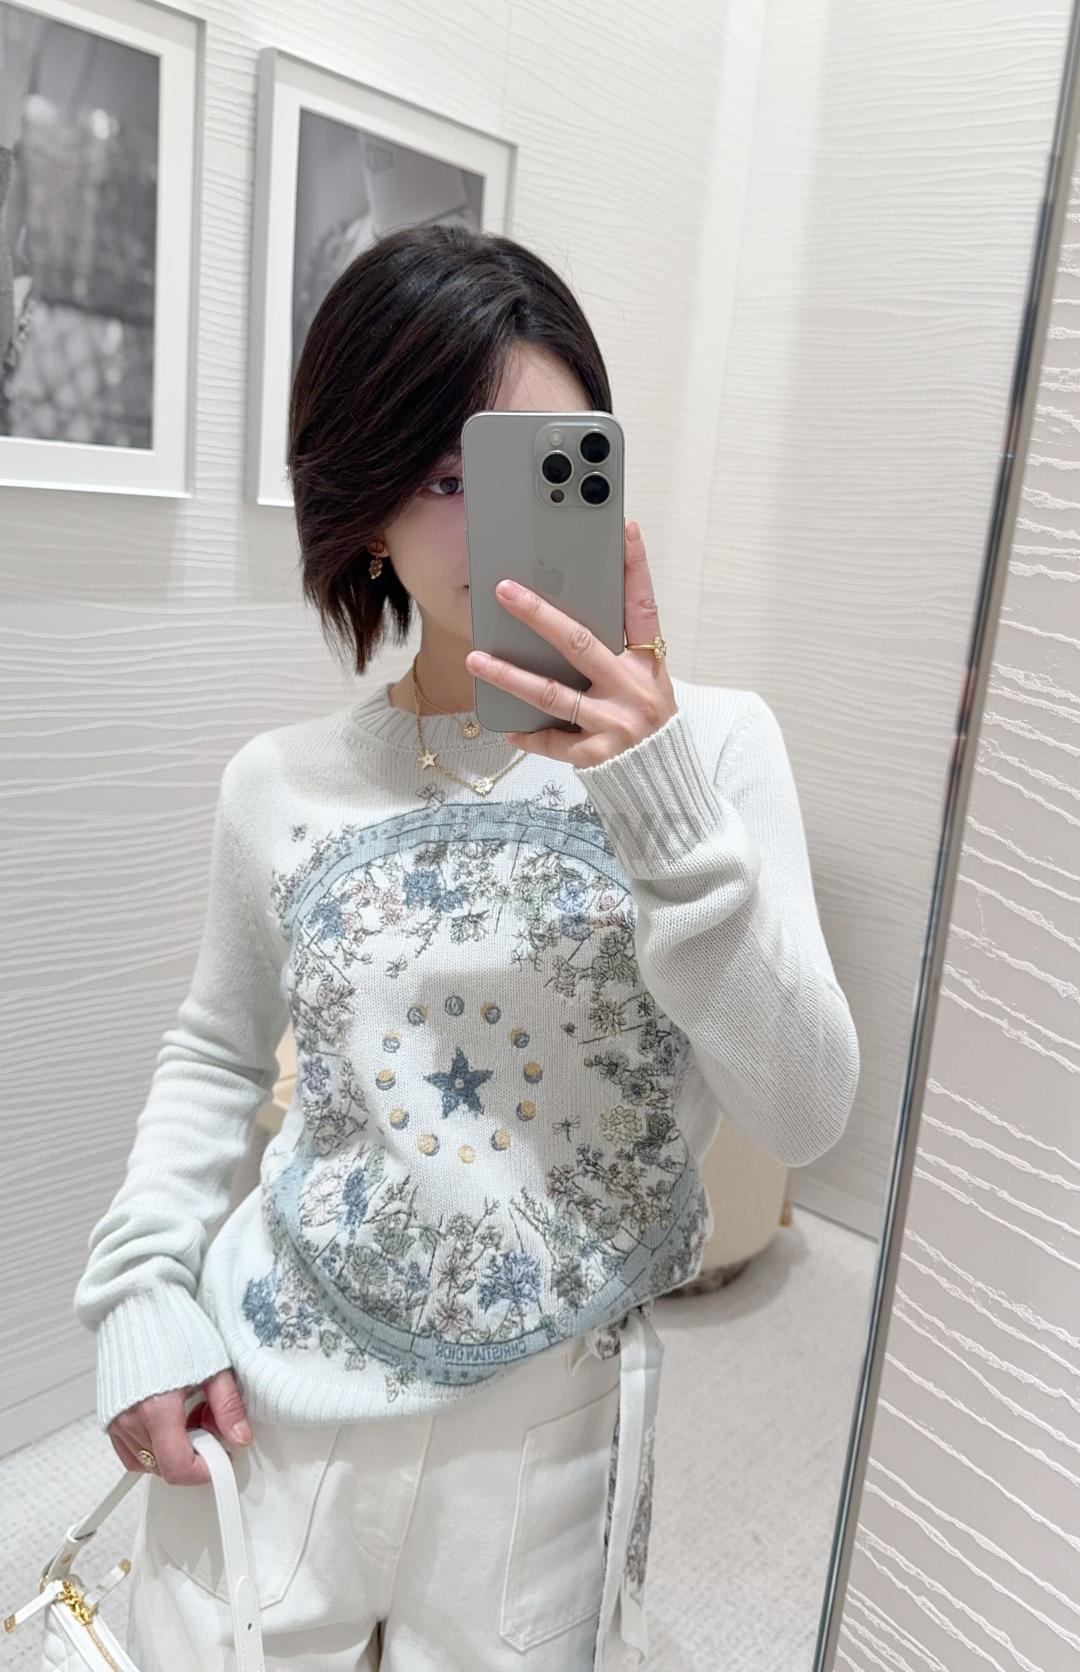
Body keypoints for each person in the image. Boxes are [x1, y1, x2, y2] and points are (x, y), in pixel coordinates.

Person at [72, 222, 861, 1671]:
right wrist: (140, 1296)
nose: (498, 523)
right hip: (270, 1400)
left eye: (542, 466)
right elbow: (214, 1053)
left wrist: (663, 808)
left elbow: (806, 1110)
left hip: (544, 1436)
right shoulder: (277, 783)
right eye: (447, 477)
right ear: (365, 507)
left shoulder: (719, 752)